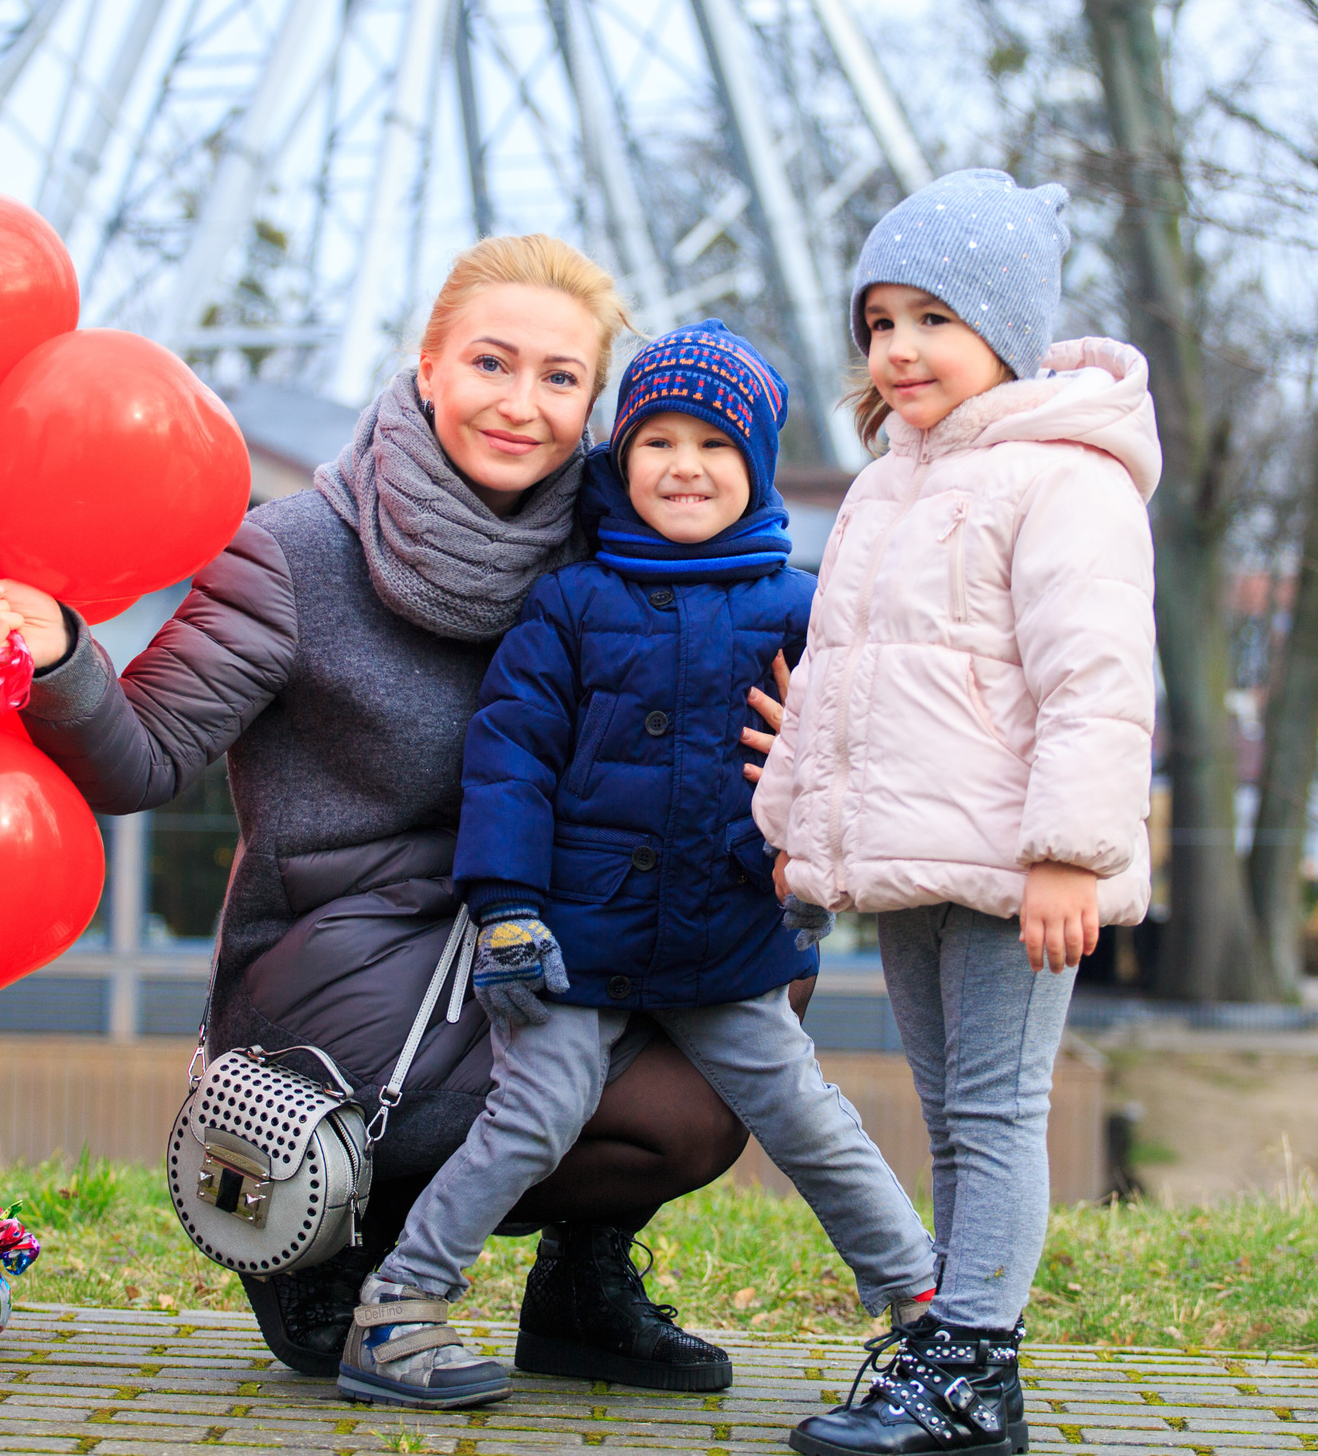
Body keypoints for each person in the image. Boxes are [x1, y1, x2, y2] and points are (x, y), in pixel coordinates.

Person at [0, 236, 782, 1386]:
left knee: (731, 1031)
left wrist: (797, 758)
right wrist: (63, 659)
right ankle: (327, 1237)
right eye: (491, 363)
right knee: (561, 1054)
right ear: (427, 368)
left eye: (558, 378)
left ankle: (579, 1287)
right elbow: (140, 762)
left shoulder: (619, 559)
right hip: (345, 974)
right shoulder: (293, 554)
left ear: (594, 409)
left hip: (534, 942)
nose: (519, 405)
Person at [332, 322, 942, 1410]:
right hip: (577, 937)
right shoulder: (571, 607)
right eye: (656, 440)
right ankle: (396, 1312)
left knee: (807, 1112)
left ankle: (924, 1306)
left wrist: (817, 866)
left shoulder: (802, 611)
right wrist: (508, 908)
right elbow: (510, 761)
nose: (683, 465)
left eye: (714, 445)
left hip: (725, 938)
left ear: (752, 466)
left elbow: (856, 754)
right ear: (621, 462)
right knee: (535, 1112)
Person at [755, 171, 1159, 1456]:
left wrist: (1066, 855)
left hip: (1013, 870)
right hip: (916, 858)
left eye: (931, 317)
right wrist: (797, 828)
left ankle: (975, 1372)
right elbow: (839, 681)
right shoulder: (887, 486)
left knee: (993, 1114)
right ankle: (947, 1349)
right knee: (945, 1113)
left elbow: (1096, 684)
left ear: (1004, 327)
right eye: (879, 322)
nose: (898, 349)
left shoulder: (1064, 479)